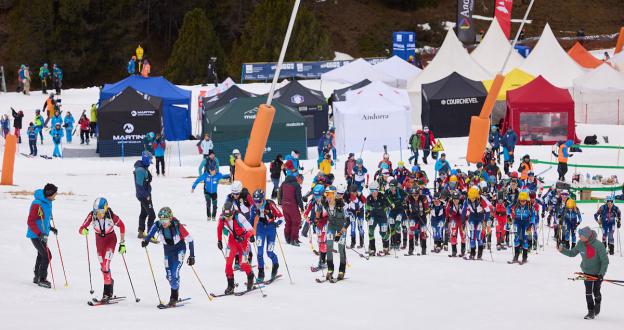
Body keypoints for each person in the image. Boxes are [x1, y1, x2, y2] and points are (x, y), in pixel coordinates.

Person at [142, 207, 195, 307]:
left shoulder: (177, 226)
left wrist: (192, 256)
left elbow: (190, 240)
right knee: (169, 275)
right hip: (168, 251)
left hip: (179, 249)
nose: (163, 222)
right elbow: (150, 233)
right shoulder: (158, 224)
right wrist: (146, 241)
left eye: (165, 220)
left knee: (174, 273)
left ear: (170, 218)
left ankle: (173, 297)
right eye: (162, 220)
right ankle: (175, 285)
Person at [78, 198, 126, 302]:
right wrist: (84, 231)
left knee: (105, 265)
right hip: (99, 242)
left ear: (105, 209)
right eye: (96, 211)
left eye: (100, 212)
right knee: (103, 267)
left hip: (110, 240)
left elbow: (122, 226)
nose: (98, 214)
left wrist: (122, 243)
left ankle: (107, 293)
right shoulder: (92, 215)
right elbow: (81, 228)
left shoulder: (111, 215)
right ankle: (110, 283)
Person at [558, 226, 609, 320]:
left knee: (596, 291)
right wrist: (562, 250)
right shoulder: (580, 244)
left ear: (587, 236)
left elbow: (605, 261)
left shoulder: (598, 245)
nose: (579, 237)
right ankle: (591, 312)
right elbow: (572, 253)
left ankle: (598, 302)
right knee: (588, 292)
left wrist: (601, 274)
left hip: (598, 273)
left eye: (581, 236)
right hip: (586, 272)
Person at [217, 201, 255, 294]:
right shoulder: (222, 218)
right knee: (228, 263)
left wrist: (246, 236)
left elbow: (251, 230)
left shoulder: (239, 217)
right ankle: (230, 285)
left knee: (242, 263)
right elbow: (219, 228)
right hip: (232, 241)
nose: (228, 218)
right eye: (226, 216)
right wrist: (219, 240)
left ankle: (250, 276)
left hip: (243, 241)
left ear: (233, 212)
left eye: (229, 215)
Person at [26, 183, 58, 288]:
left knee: (41, 255)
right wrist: (39, 234)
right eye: (54, 194)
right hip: (36, 235)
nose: (55, 195)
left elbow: (44, 219)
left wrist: (51, 228)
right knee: (47, 255)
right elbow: (30, 221)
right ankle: (42, 279)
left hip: (43, 234)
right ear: (49, 194)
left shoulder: (48, 202)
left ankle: (37, 276)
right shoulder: (37, 204)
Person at [250, 189, 283, 282]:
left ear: (263, 199)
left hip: (271, 229)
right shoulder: (254, 207)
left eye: (259, 201)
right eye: (255, 201)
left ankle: (275, 265)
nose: (257, 204)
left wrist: (277, 223)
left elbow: (281, 217)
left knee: (269, 253)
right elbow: (251, 220)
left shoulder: (270, 204)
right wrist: (250, 234)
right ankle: (261, 273)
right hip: (260, 228)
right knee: (259, 253)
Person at [321, 184, 349, 281]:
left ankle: (341, 270)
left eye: (331, 194)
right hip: (331, 226)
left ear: (335, 194)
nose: (329, 196)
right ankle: (330, 269)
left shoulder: (342, 205)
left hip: (342, 227)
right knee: (328, 246)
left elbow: (348, 221)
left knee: (341, 248)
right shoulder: (325, 203)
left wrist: (340, 234)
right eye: (327, 194)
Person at [462, 186, 490, 260]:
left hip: (480, 218)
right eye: (471, 197)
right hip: (472, 217)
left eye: (473, 197)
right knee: (472, 236)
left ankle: (480, 253)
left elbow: (487, 211)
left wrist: (485, 221)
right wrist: (463, 222)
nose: (472, 199)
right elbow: (464, 211)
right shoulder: (467, 200)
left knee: (479, 236)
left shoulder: (481, 199)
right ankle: (472, 252)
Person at [134, 151, 156, 239]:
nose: (150, 161)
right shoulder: (140, 170)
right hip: (144, 196)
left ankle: (141, 232)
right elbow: (139, 186)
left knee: (144, 213)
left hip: (145, 195)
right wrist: (146, 195)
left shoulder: (144, 167)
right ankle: (150, 235)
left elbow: (147, 181)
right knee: (152, 215)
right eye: (150, 159)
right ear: (146, 159)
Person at [509, 191, 535, 264]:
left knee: (525, 239)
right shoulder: (516, 204)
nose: (522, 202)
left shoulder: (530, 205)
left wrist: (532, 223)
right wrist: (509, 216)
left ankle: (525, 256)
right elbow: (508, 208)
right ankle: (516, 256)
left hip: (527, 223)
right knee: (516, 238)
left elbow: (533, 215)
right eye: (521, 201)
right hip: (517, 222)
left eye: (524, 201)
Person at [366, 181, 390, 256]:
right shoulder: (369, 198)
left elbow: (389, 204)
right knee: (370, 230)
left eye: (374, 191)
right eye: (371, 191)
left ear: (377, 190)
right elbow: (367, 208)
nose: (373, 193)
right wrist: (367, 215)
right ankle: (372, 248)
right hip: (373, 216)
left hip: (382, 216)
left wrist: (387, 207)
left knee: (383, 232)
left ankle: (386, 247)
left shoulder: (382, 196)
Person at [279, 172, 304, 245]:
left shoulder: (284, 183)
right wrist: (302, 207)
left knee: (288, 222)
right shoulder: (296, 185)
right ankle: (294, 239)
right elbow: (298, 198)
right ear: (298, 178)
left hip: (284, 205)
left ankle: (288, 237)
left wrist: (280, 202)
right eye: (302, 180)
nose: (301, 182)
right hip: (292, 205)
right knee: (296, 222)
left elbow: (280, 192)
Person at [405, 185, 429, 255]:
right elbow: (406, 207)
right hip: (413, 216)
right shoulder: (409, 198)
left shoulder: (424, 198)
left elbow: (427, 209)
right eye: (413, 195)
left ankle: (424, 248)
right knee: (411, 230)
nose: (415, 197)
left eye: (416, 195)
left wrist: (424, 213)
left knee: (423, 232)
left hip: (422, 216)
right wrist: (408, 214)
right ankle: (411, 249)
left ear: (419, 194)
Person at [346, 184, 366, 248]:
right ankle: (353, 242)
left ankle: (361, 242)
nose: (353, 194)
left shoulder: (360, 194)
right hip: (352, 212)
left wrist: (360, 196)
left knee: (360, 227)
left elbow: (365, 201)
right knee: (352, 227)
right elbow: (346, 203)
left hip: (360, 212)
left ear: (356, 191)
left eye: (354, 192)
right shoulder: (349, 195)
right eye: (351, 192)